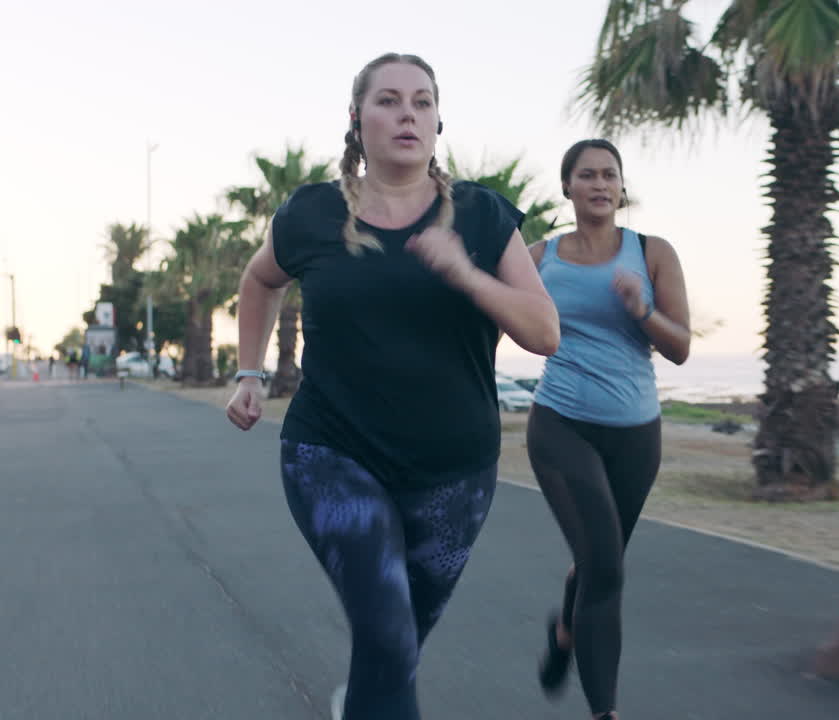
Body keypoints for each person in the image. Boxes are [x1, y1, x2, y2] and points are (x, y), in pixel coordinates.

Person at [224, 52, 559, 720]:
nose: (408, 112)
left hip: (455, 470)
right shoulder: (310, 214)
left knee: (398, 643)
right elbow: (260, 280)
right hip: (331, 453)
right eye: (389, 100)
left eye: (423, 101)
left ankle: (364, 702)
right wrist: (249, 371)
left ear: (437, 121)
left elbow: (544, 332)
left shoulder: (485, 219)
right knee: (387, 632)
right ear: (357, 120)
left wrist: (466, 274)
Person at [527, 139, 691, 720]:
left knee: (598, 561)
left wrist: (641, 311)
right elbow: (501, 321)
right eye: (588, 175)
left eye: (610, 175)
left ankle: (567, 636)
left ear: (622, 187)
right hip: (561, 425)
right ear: (567, 186)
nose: (600, 184)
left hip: (636, 434)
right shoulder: (538, 257)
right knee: (607, 567)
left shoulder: (651, 253)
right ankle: (606, 711)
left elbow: (680, 350)